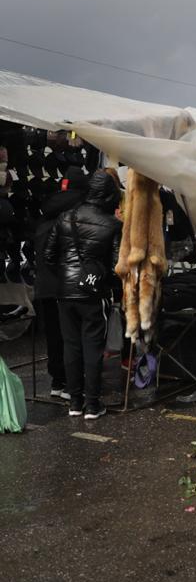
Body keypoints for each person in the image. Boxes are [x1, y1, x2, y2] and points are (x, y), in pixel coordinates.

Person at [43, 170, 121, 419]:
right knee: (93, 347)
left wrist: (67, 274)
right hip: (94, 293)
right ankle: (93, 403)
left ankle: (75, 402)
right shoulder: (113, 225)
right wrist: (102, 279)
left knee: (71, 346)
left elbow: (49, 255)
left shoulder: (66, 217)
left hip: (65, 291)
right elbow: (117, 265)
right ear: (110, 195)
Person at [33, 168, 89, 399]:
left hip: (45, 287)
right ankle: (68, 383)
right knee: (70, 336)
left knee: (54, 336)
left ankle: (58, 381)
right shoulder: (70, 221)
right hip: (63, 287)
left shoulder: (45, 218)